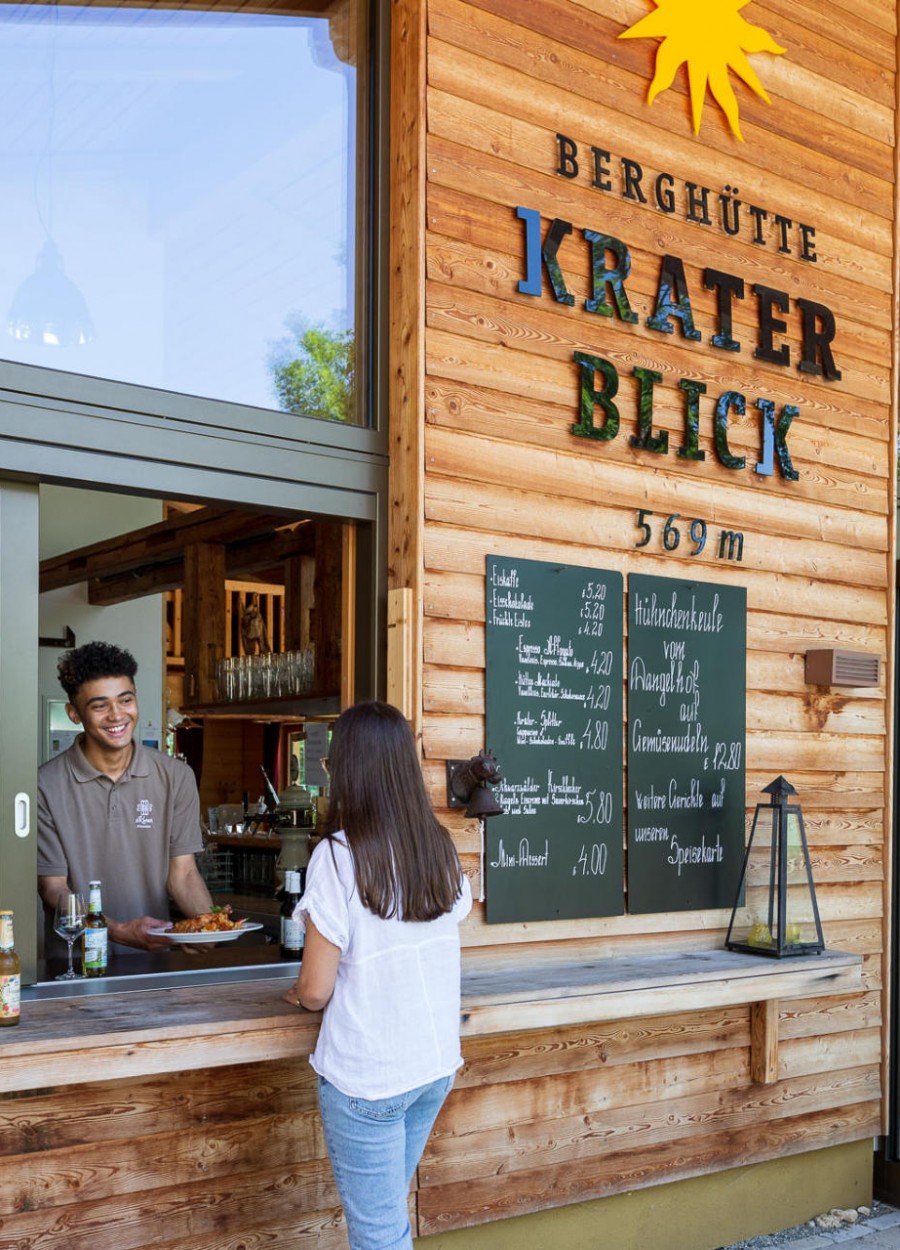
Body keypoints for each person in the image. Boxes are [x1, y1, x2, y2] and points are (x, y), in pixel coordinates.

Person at [282, 700, 472, 1250]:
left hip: (370, 1077)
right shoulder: (436, 846)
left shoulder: (338, 856)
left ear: (345, 768)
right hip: (432, 1066)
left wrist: (296, 993)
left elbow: (316, 990)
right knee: (388, 1220)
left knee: (380, 1234)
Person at [37, 640, 214, 954]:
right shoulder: (44, 785)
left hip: (155, 964)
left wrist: (207, 926)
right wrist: (116, 931)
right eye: (99, 705)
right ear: (74, 713)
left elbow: (183, 873)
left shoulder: (176, 777)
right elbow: (53, 888)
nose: (117, 715)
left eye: (125, 699)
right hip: (72, 966)